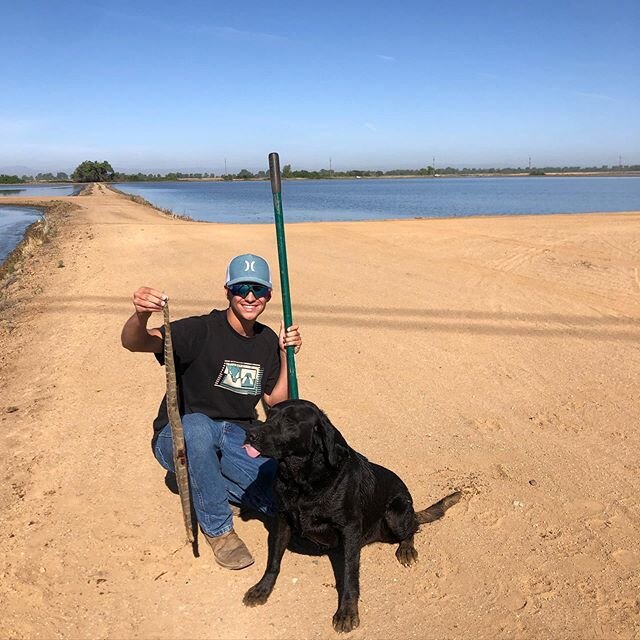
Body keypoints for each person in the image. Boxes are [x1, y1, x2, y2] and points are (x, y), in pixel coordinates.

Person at [121, 254, 302, 570]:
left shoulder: (266, 340)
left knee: (284, 494)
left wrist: (287, 356)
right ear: (228, 291)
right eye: (241, 288)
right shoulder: (200, 330)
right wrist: (139, 316)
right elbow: (135, 343)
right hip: (180, 436)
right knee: (197, 427)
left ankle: (205, 482)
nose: (249, 297)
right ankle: (219, 530)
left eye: (258, 290)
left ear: (268, 296)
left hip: (236, 437)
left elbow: (275, 401)